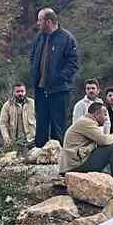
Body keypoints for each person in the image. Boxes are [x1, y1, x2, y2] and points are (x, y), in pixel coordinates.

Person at [28, 8, 78, 148]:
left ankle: (59, 160)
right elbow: (32, 56)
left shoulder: (67, 38)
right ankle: (39, 156)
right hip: (41, 89)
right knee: (41, 125)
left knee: (58, 127)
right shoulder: (39, 37)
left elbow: (72, 64)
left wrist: (59, 78)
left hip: (59, 91)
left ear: (48, 21)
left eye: (40, 20)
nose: (37, 23)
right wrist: (34, 73)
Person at [59, 100, 113, 186]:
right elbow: (103, 140)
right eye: (104, 115)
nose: (106, 118)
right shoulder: (87, 123)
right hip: (75, 166)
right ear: (96, 114)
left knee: (109, 147)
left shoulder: (85, 121)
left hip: (75, 163)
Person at [0, 82, 36, 148]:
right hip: (15, 141)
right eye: (18, 91)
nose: (20, 93)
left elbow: (41, 120)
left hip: (32, 140)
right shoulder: (7, 106)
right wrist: (6, 138)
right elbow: (3, 123)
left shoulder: (33, 103)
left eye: (22, 91)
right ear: (13, 92)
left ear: (25, 91)